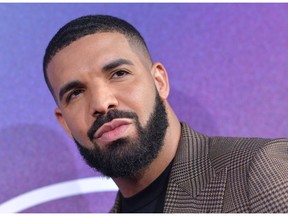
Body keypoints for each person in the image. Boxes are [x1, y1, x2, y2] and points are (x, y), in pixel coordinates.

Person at [43, 15, 288, 213]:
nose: (102, 102)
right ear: (64, 122)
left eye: (118, 74)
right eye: (75, 93)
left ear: (159, 81)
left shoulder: (259, 170)